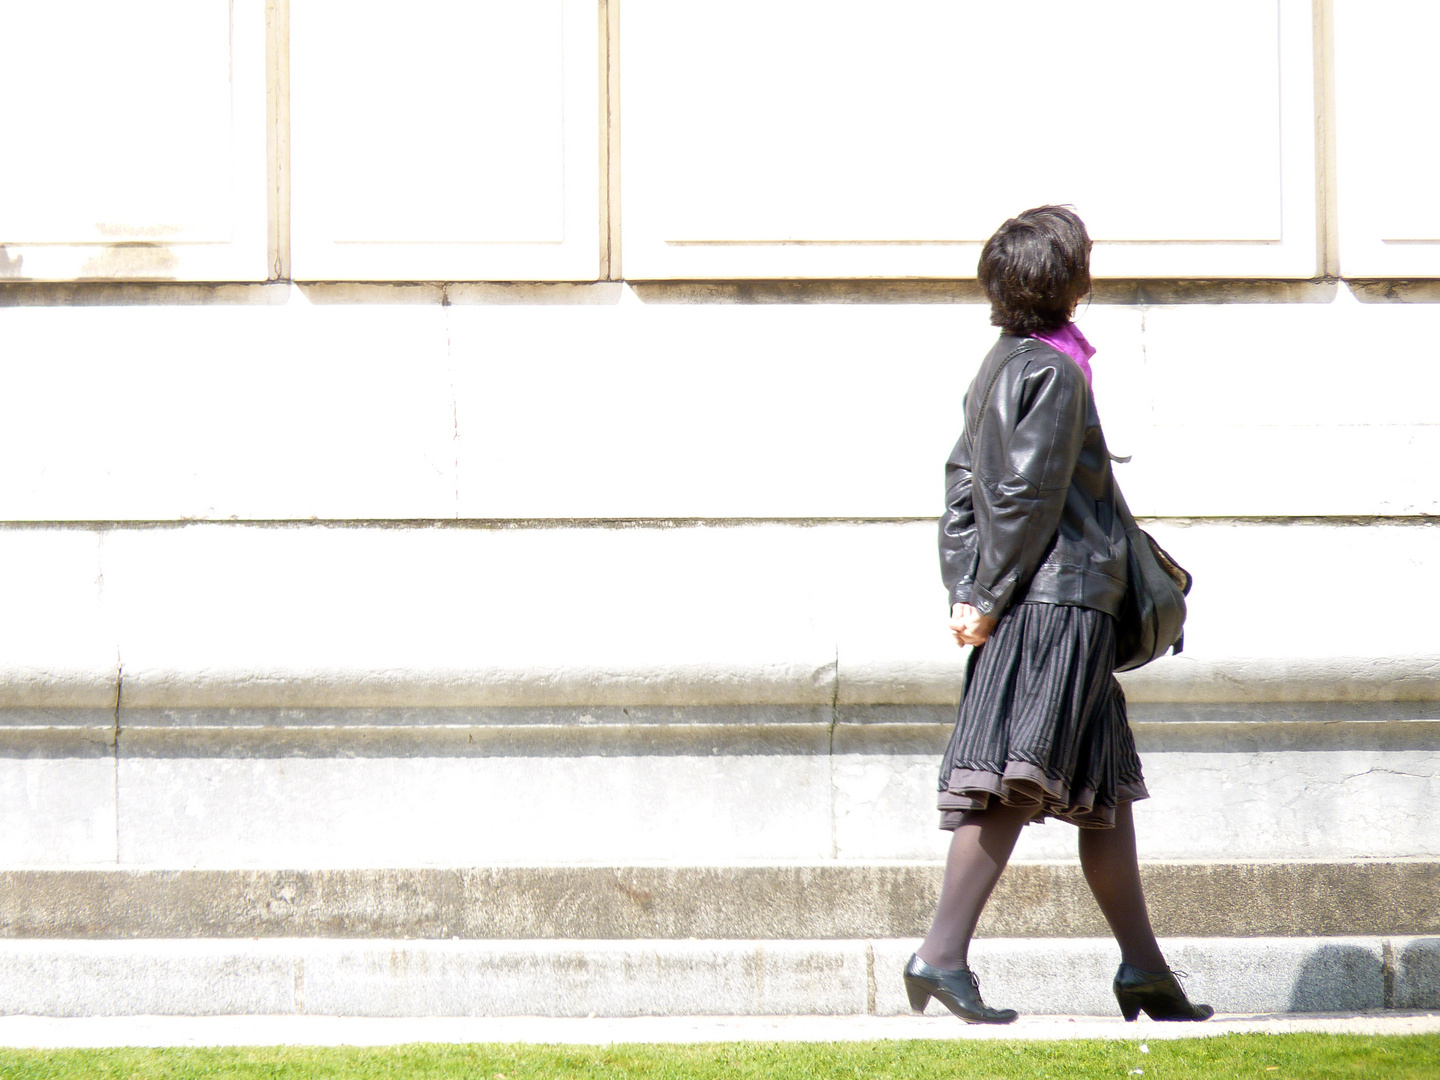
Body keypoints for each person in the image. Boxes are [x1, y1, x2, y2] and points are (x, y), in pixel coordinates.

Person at [904, 206, 1213, 1025]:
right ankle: (940, 954)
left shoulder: (1003, 364)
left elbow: (962, 488)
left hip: (1044, 600)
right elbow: (1024, 497)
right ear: (1068, 281)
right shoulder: (1054, 372)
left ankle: (1144, 970)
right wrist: (984, 595)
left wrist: (969, 587)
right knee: (1017, 774)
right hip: (1056, 603)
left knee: (1100, 788)